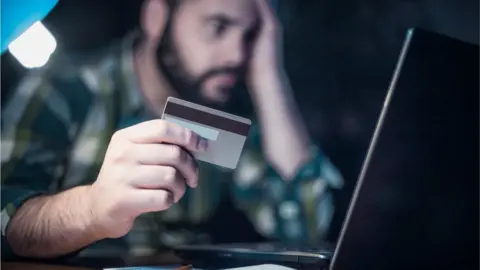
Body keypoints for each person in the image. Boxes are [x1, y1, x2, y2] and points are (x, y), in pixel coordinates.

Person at [1, 0, 343, 259]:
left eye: (250, 36)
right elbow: (4, 221)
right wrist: (93, 207)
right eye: (218, 27)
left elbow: (303, 227)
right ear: (157, 17)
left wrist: (269, 75)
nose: (237, 55)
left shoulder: (219, 109)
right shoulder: (65, 90)